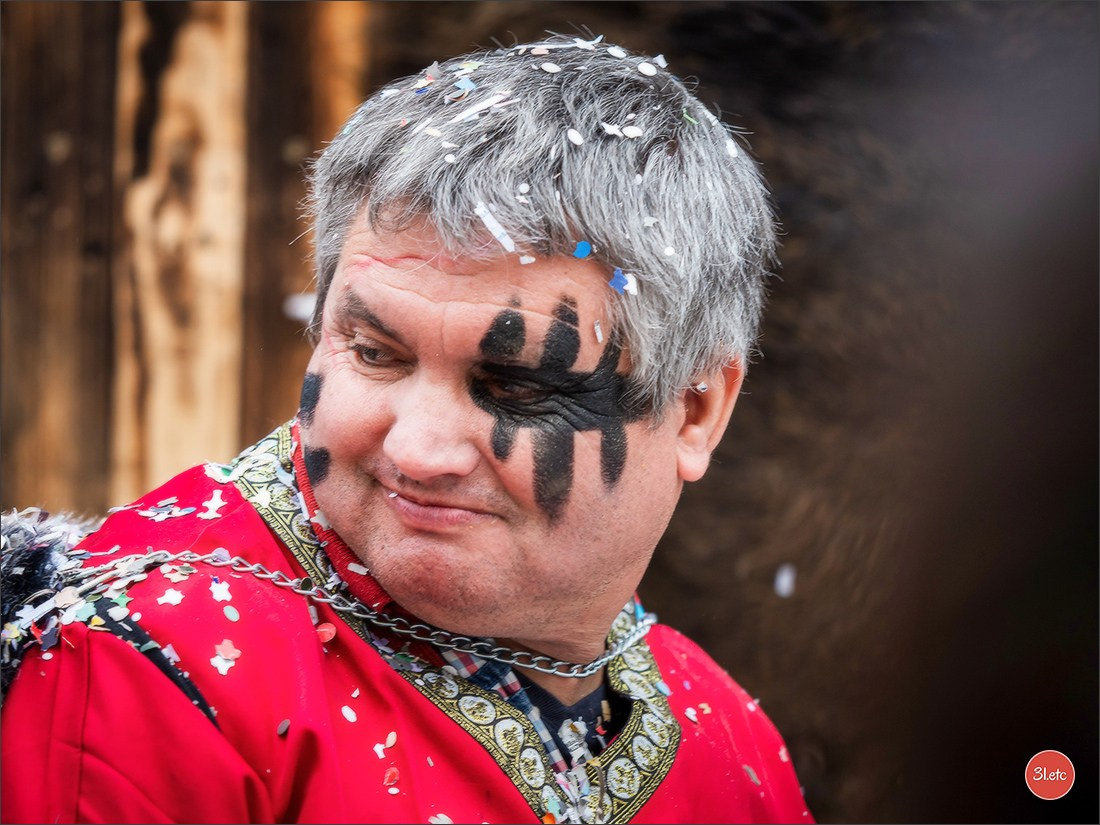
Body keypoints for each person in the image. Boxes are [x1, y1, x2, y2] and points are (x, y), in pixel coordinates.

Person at [1, 35, 812, 824]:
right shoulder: (140, 665)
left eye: (515, 385)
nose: (417, 450)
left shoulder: (731, 742)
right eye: (374, 353)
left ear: (697, 409)